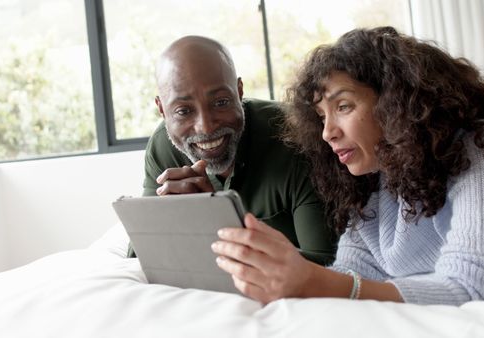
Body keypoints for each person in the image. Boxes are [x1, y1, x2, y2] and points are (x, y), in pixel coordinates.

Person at [211, 26, 484, 305]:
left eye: (343, 106)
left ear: (397, 103)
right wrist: (286, 270)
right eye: (321, 117)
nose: (328, 133)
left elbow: (471, 287)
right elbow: (352, 271)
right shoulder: (377, 179)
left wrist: (315, 280)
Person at [131, 35, 336, 265]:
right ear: (161, 108)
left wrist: (213, 225)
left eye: (220, 103)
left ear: (239, 92)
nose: (206, 127)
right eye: (183, 111)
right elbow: (139, 257)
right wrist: (182, 221)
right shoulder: (163, 148)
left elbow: (328, 267)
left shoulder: (295, 137)